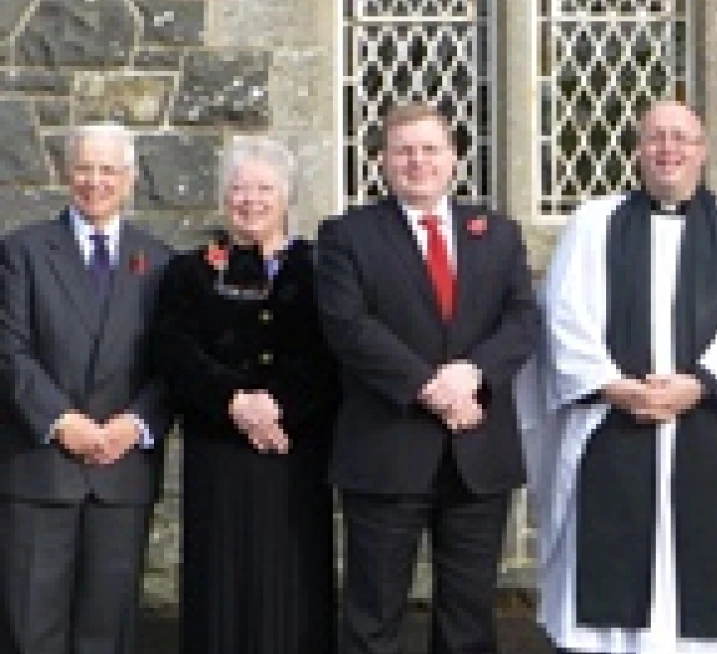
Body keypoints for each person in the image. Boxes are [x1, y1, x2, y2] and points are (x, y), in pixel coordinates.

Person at [520, 100, 717, 654]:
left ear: (702, 150)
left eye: (681, 138)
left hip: (712, 430)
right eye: (656, 138)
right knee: (609, 593)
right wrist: (613, 385)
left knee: (706, 589)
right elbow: (561, 318)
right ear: (637, 150)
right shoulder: (592, 225)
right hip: (612, 422)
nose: (668, 149)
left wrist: (697, 384)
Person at [316, 104, 541, 654]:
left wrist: (473, 373)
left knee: (468, 620)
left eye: (430, 150)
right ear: (383, 162)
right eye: (404, 151)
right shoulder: (347, 235)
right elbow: (348, 326)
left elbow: (523, 319)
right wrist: (430, 389)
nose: (417, 162)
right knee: (374, 617)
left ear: (454, 159)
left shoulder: (499, 235)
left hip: (478, 454)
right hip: (386, 450)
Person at [152, 137, 339, 654]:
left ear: (286, 196)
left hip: (294, 448)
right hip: (219, 450)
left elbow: (330, 355)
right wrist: (235, 401)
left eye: (263, 188)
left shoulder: (319, 267)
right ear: (222, 197)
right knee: (222, 583)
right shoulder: (189, 271)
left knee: (291, 584)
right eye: (238, 188)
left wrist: (276, 407)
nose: (250, 200)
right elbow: (175, 351)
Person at [0, 123, 173, 654]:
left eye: (108, 170)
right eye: (84, 168)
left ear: (129, 180)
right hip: (41, 470)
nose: (95, 181)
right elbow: (9, 350)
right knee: (31, 629)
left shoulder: (160, 261)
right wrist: (62, 420)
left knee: (107, 633)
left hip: (121, 476)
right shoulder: (21, 252)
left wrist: (136, 423)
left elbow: (174, 363)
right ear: (65, 172)